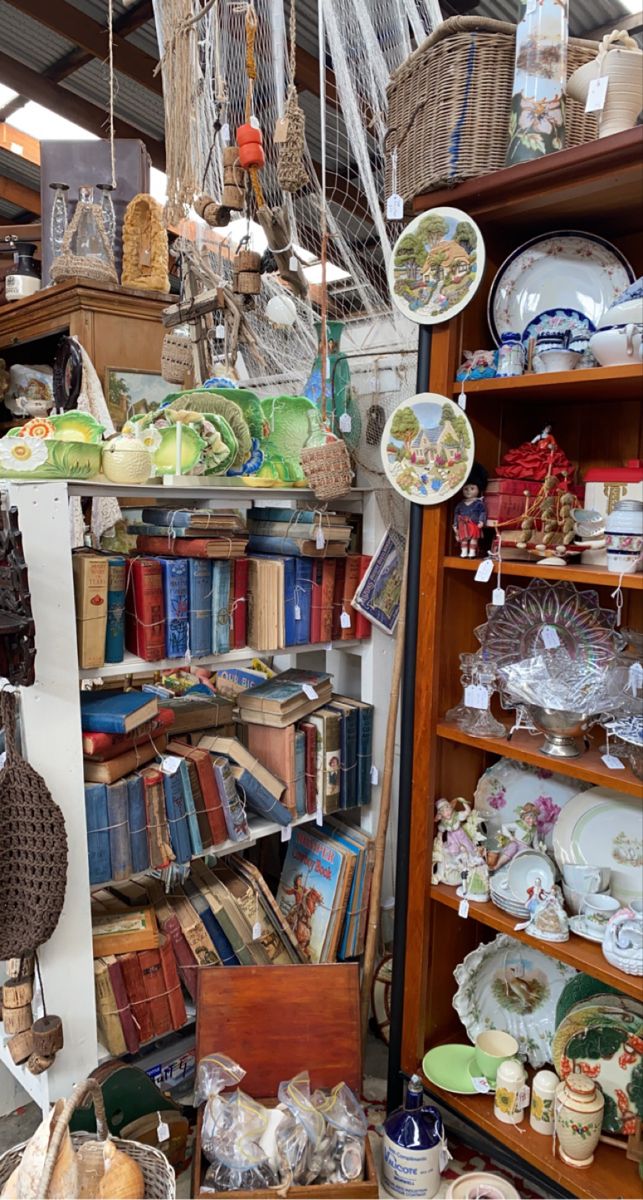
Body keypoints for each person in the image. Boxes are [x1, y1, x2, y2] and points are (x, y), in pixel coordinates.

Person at [453, 462, 488, 557]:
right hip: (462, 524)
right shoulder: (460, 504)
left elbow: (483, 512)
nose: (469, 491)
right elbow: (456, 514)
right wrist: (455, 524)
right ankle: (464, 551)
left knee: (474, 538)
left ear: (478, 489)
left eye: (472, 488)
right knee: (463, 538)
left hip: (474, 524)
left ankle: (472, 552)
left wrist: (481, 521)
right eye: (466, 489)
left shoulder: (479, 503)